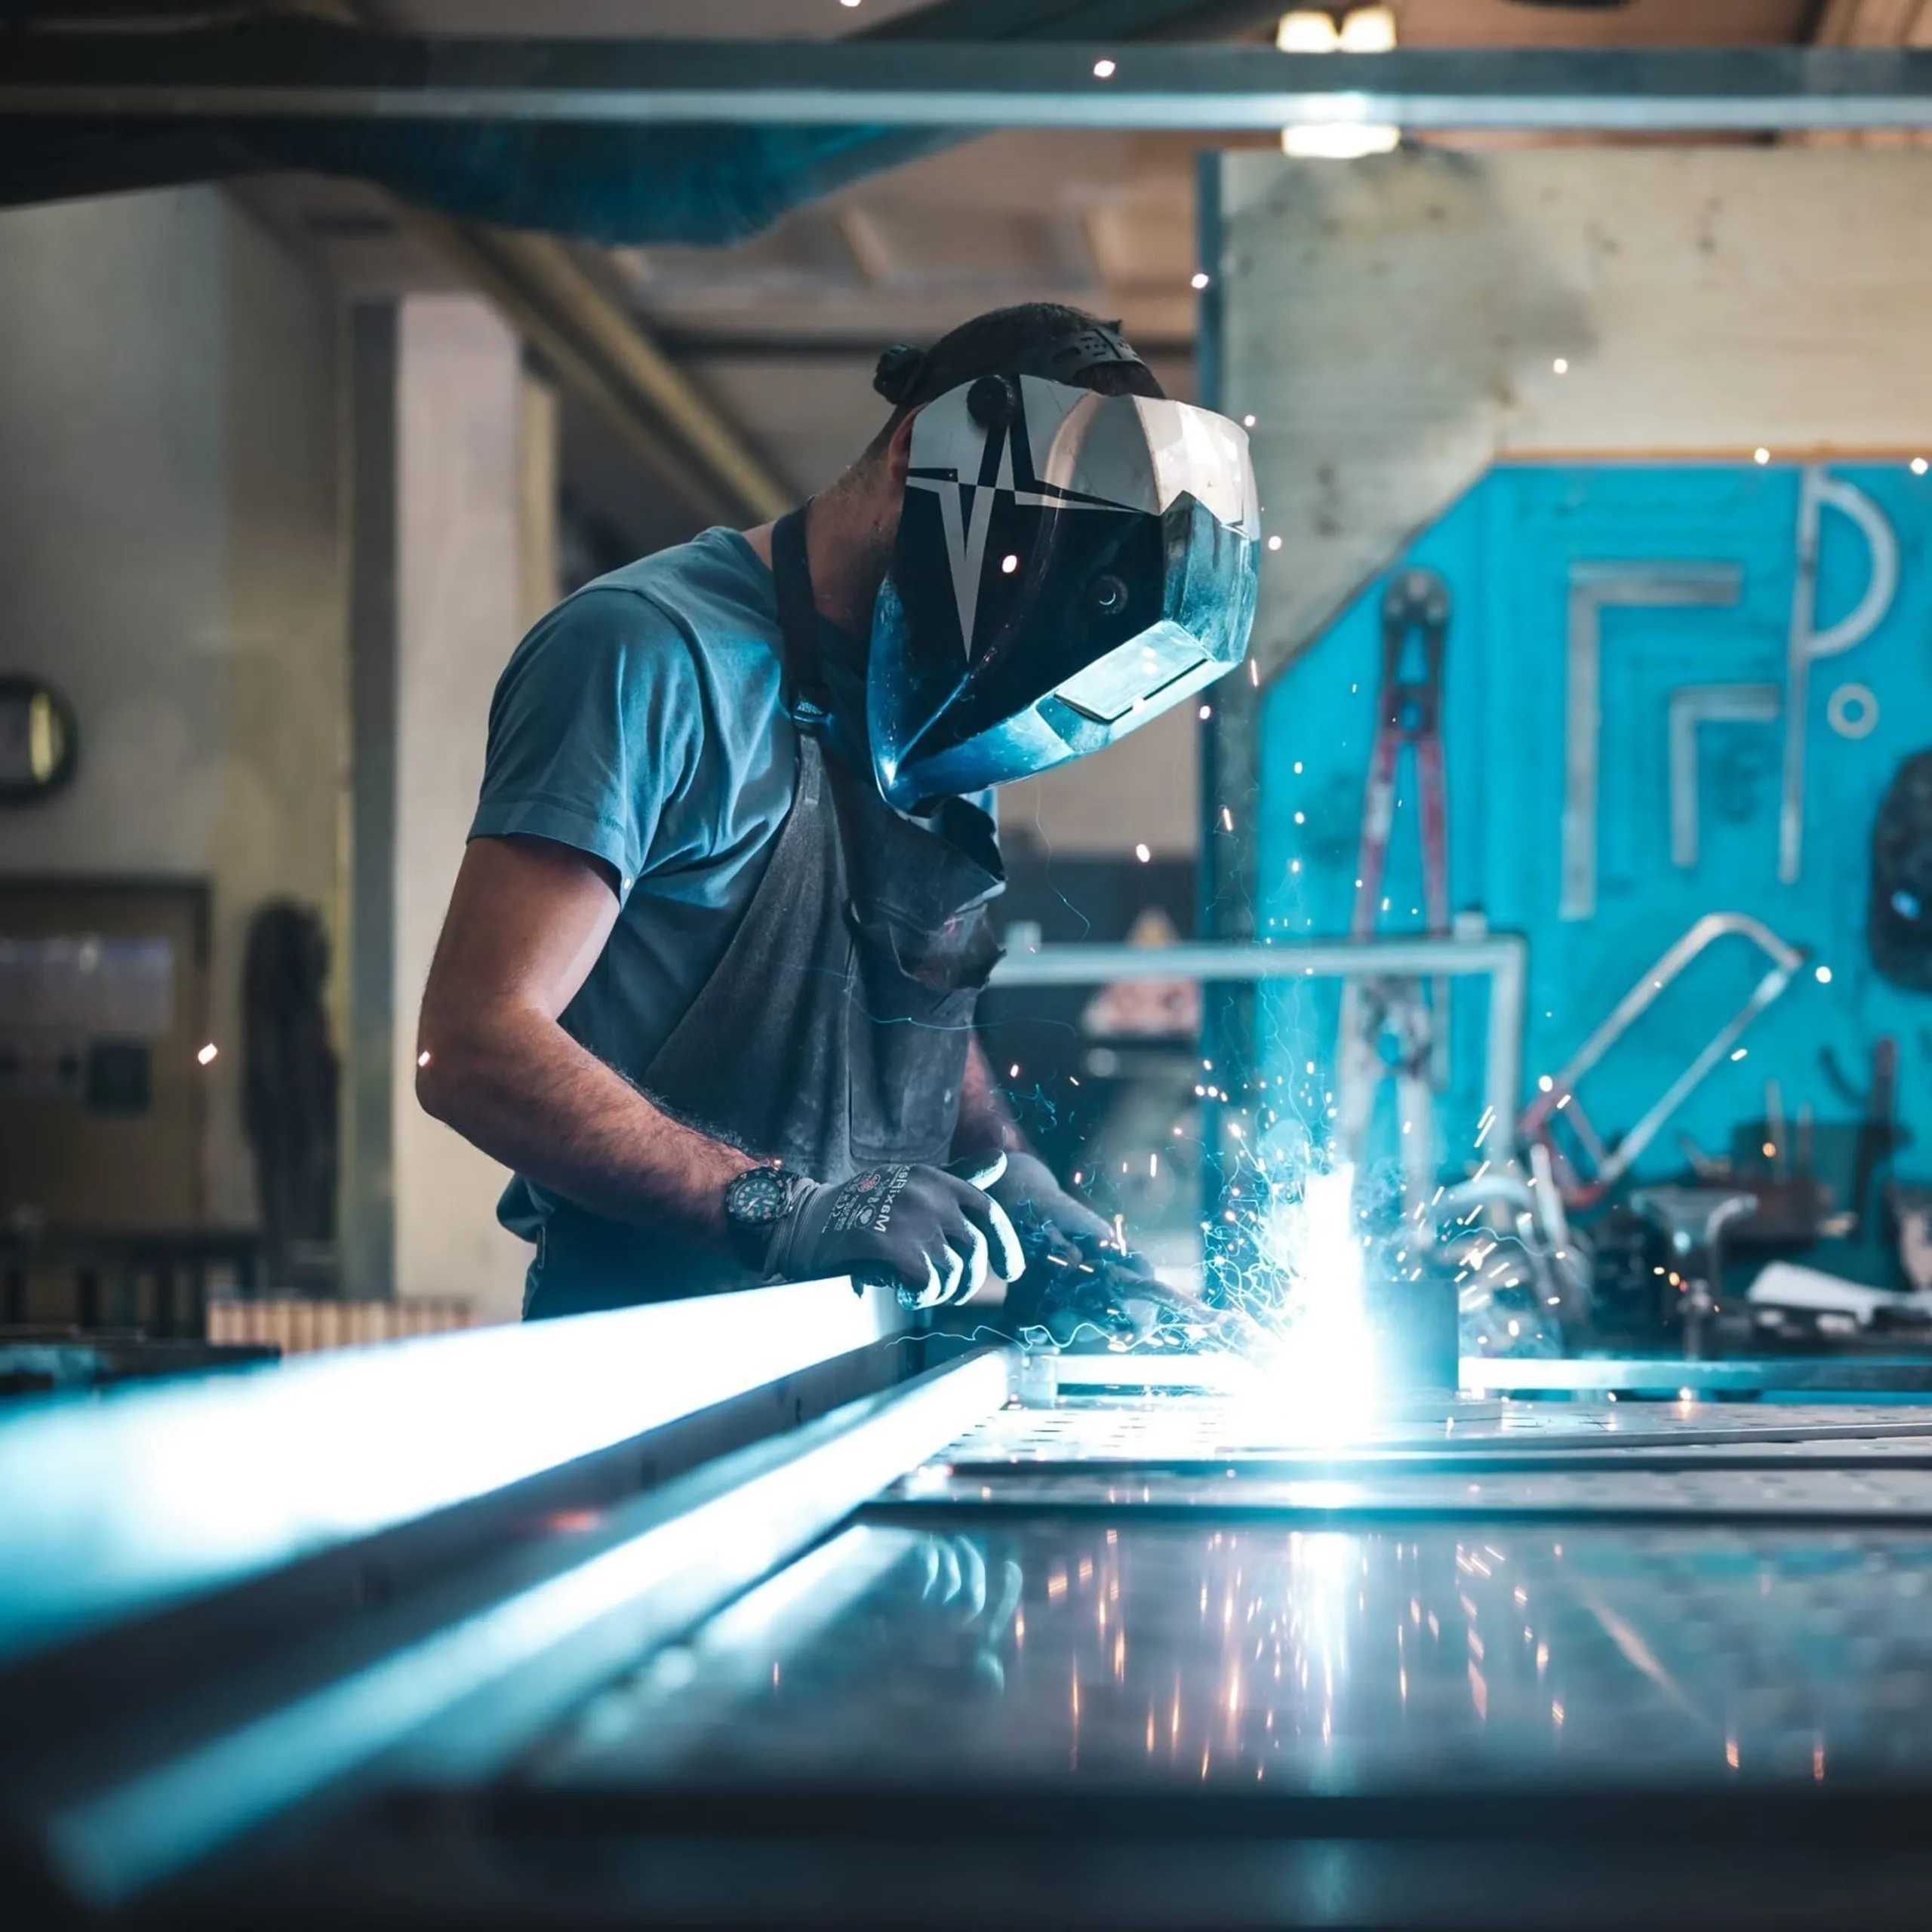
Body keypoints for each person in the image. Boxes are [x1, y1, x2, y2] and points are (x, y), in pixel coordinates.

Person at [416, 303, 1259, 1321]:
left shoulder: (943, 706)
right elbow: (473, 1045)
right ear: (918, 456)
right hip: (645, 1353)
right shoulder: (645, 654)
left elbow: (907, 1012)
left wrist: (1015, 1181)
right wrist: (780, 1207)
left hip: (865, 1347)